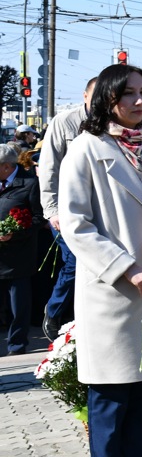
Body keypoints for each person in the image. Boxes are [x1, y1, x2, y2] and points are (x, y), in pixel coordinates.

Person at [58, 64, 142, 457]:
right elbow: (75, 225)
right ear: (107, 99)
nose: (139, 101)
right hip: (113, 291)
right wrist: (126, 268)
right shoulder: (85, 148)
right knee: (112, 404)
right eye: (128, 93)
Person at [40, 77, 96, 340]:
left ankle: (79, 319)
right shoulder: (64, 122)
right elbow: (49, 168)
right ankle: (54, 311)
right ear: (84, 95)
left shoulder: (111, 122)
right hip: (65, 210)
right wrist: (52, 211)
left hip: (96, 209)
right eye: (94, 95)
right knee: (74, 262)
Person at [0, 144, 43, 356]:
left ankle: (17, 346)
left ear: (7, 167)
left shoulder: (29, 184)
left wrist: (15, 233)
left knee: (19, 306)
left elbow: (38, 218)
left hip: (19, 258)